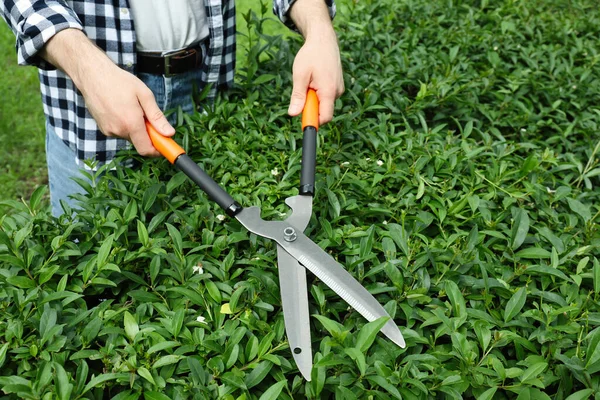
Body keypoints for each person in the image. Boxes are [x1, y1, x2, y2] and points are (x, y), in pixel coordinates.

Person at [1, 0, 344, 216]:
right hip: (89, 106)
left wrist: (318, 28)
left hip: (207, 86)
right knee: (82, 258)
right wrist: (89, 72)